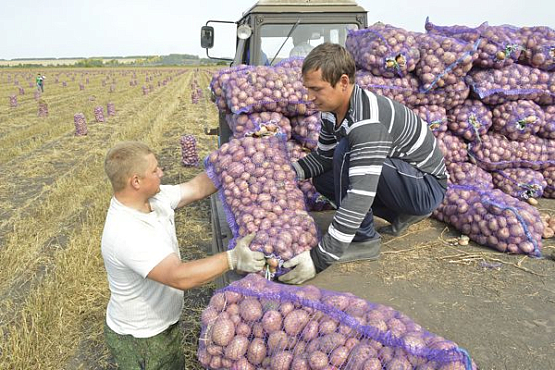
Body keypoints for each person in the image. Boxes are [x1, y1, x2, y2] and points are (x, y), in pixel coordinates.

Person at [279, 43, 448, 285]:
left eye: (316, 89)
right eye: (307, 89)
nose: (309, 97)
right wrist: (287, 174)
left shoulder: (367, 121)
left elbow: (360, 192)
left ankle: (364, 240)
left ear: (343, 82)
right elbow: (324, 158)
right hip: (401, 178)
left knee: (346, 151)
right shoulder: (330, 112)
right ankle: (400, 213)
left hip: (426, 185)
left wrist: (320, 258)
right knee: (324, 178)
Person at [101, 141, 265, 369]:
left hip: (164, 324)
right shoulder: (126, 232)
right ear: (135, 181)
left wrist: (228, 161)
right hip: (141, 337)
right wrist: (232, 259)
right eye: (155, 170)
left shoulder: (153, 199)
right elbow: (179, 276)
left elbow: (196, 188)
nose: (161, 172)